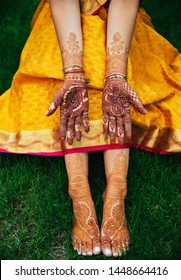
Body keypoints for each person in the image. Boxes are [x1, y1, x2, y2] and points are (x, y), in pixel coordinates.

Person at [0, 0, 180, 257]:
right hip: (62, 20)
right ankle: (79, 191)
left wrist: (116, 75)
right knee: (69, 87)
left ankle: (116, 192)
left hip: (119, 20)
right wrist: (73, 74)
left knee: (114, 89)